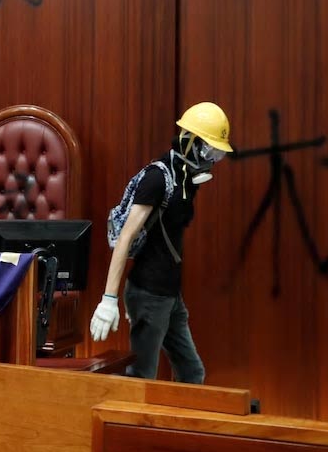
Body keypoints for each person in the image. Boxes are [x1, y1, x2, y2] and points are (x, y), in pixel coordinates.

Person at [89, 102, 233, 384]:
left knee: (192, 373)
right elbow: (125, 238)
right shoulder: (158, 178)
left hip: (169, 294)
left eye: (216, 154)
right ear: (189, 141)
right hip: (148, 293)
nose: (211, 159)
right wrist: (109, 300)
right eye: (208, 151)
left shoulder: (187, 178)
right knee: (142, 378)